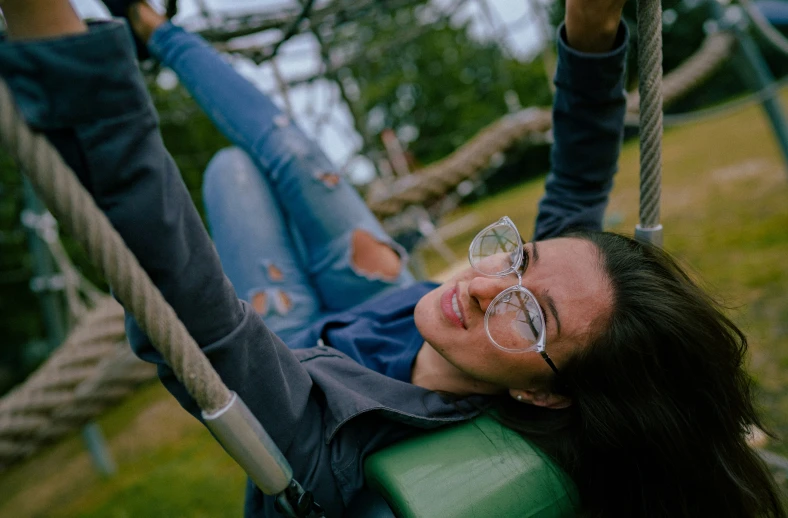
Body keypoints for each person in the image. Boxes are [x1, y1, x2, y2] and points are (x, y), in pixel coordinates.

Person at [0, 0, 784, 516]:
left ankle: (147, 35)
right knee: (284, 149)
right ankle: (155, 29)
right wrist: (591, 23)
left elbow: (174, 278)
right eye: (516, 260)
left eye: (524, 312)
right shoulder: (515, 322)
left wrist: (44, 22)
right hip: (380, 297)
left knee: (233, 171)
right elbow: (580, 173)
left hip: (298, 352)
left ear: (547, 400)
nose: (481, 286)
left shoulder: (329, 450)